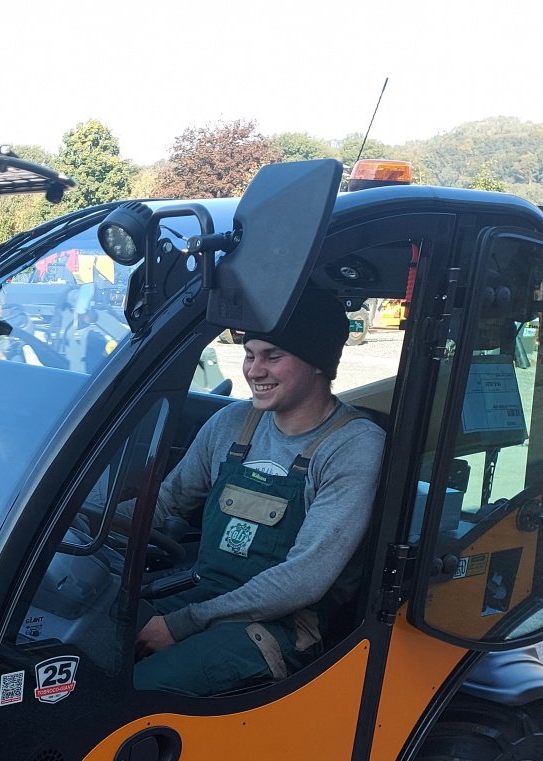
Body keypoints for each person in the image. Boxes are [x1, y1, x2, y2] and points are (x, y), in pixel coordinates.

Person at [133, 289, 385, 695]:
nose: (254, 370)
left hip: (284, 626)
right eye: (250, 354)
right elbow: (166, 502)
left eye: (273, 356)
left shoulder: (352, 445)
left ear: (317, 363)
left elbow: (304, 578)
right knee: (88, 652)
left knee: (142, 688)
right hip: (205, 595)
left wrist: (183, 624)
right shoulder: (232, 422)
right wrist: (75, 527)